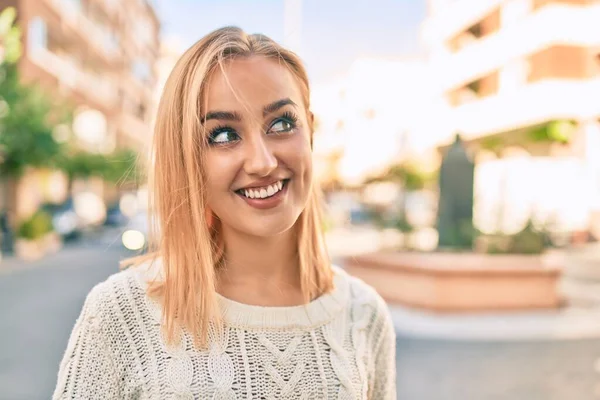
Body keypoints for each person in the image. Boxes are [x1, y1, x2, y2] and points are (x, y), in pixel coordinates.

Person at [52, 26, 396, 399]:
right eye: (223, 135)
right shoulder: (121, 316)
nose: (263, 162)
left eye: (281, 124)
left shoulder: (364, 315)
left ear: (309, 132)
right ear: (186, 159)